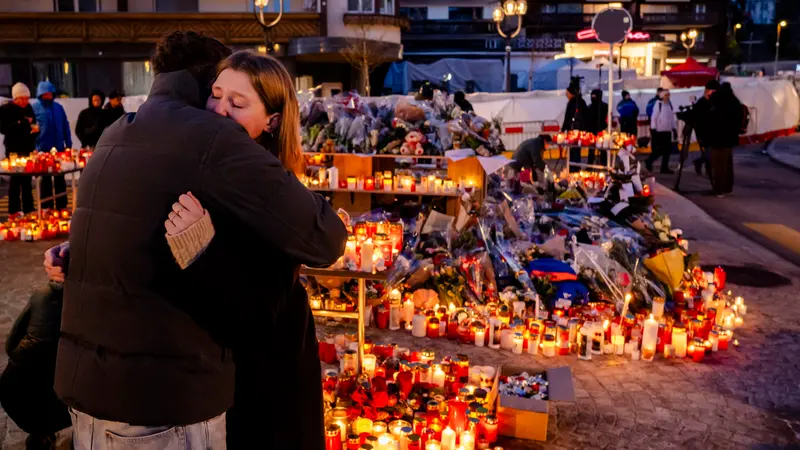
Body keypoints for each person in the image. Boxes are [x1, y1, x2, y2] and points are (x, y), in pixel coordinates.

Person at [52, 32, 347, 450]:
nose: (219, 111)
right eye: (216, 95)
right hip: (172, 391)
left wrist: (203, 252)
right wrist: (76, 255)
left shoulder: (261, 189)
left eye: (238, 103)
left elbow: (259, 315)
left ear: (273, 120)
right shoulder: (204, 157)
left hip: (263, 397)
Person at [0, 247, 71, 450]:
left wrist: (20, 355)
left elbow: (10, 343)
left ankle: (41, 435)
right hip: (67, 403)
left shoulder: (42, 295)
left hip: (18, 395)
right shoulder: (88, 305)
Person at [0, 82, 38, 214]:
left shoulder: (28, 108)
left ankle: (29, 208)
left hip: (27, 147)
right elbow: (5, 129)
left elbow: (33, 123)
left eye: (27, 99)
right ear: (16, 98)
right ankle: (14, 210)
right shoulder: (6, 110)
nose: (25, 102)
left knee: (27, 180)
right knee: (15, 180)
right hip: (14, 149)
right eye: (22, 99)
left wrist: (35, 130)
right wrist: (21, 123)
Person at [32, 81, 71, 210]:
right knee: (46, 180)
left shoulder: (58, 108)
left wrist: (68, 144)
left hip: (59, 148)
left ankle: (62, 205)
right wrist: (34, 148)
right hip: (43, 149)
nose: (48, 96)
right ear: (40, 95)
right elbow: (31, 129)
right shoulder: (35, 108)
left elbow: (65, 126)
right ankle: (46, 207)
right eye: (45, 94)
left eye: (50, 94)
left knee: (60, 178)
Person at [707, 82, 742, 196]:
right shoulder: (734, 101)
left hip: (718, 138)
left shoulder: (718, 100)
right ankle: (728, 187)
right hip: (730, 138)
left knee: (718, 166)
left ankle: (719, 189)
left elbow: (711, 116)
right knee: (727, 164)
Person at [691, 80, 718, 175]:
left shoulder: (713, 101)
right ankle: (701, 164)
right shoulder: (701, 103)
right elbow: (698, 118)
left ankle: (707, 168)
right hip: (704, 131)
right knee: (709, 153)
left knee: (710, 152)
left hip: (712, 130)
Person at [646, 89, 676, 174]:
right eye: (666, 95)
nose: (668, 97)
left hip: (667, 131)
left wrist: (674, 128)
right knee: (659, 150)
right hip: (659, 131)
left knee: (667, 151)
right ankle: (649, 161)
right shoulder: (658, 104)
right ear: (662, 96)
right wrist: (653, 129)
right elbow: (654, 117)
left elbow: (671, 117)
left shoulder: (669, 105)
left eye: (668, 95)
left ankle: (664, 168)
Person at [562, 83, 587, 172]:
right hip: (580, 132)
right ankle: (575, 168)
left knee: (574, 150)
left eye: (567, 93)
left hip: (574, 132)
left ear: (571, 93)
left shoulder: (572, 103)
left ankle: (574, 169)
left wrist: (563, 130)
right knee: (576, 150)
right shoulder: (582, 101)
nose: (566, 95)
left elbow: (567, 117)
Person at [586, 89, 608, 166]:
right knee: (591, 149)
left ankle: (604, 164)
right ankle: (590, 164)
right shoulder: (589, 107)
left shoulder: (605, 106)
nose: (593, 98)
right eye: (592, 96)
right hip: (592, 131)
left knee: (602, 148)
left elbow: (606, 118)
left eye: (594, 96)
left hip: (601, 130)